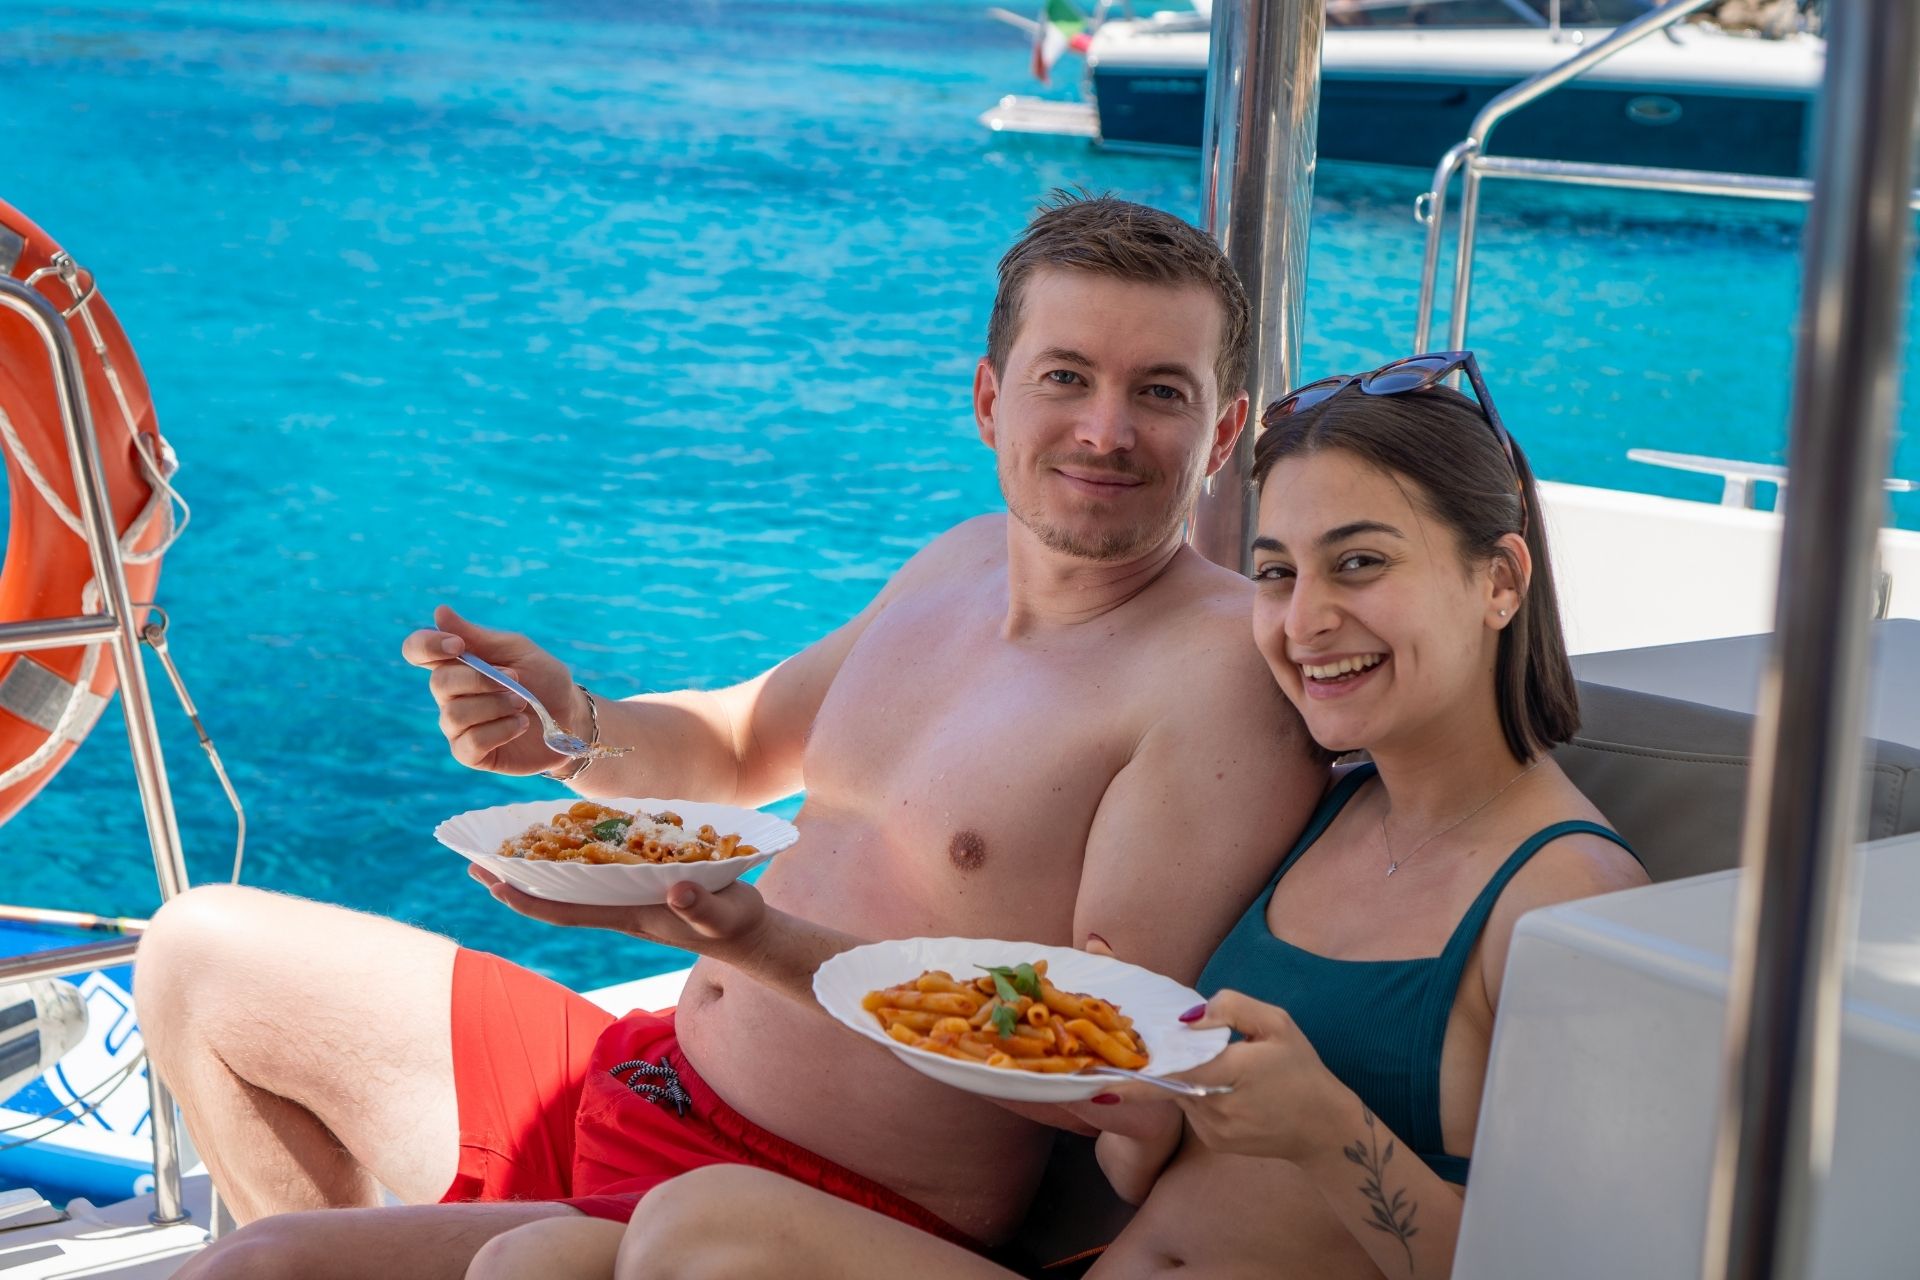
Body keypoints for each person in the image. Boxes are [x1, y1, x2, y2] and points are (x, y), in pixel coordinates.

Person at [135, 193, 1324, 1279]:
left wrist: (744, 938)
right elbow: (737, 741)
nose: (1104, 431)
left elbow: (1109, 1071)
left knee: (267, 1266)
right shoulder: (960, 561)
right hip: (640, 1075)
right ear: (988, 398)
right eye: (1066, 376)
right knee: (200, 956)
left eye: (1158, 392)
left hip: (801, 1203)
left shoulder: (1213, 681)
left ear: (1221, 433)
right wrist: (571, 729)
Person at [454, 351, 1651, 1280]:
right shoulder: (1333, 810)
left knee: (699, 1226)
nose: (1301, 618)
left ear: (1498, 578)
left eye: (1361, 562)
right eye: (1280, 570)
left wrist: (1330, 1128)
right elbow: (1134, 1113)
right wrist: (1144, 1120)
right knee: (532, 1257)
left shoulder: (1568, 898)